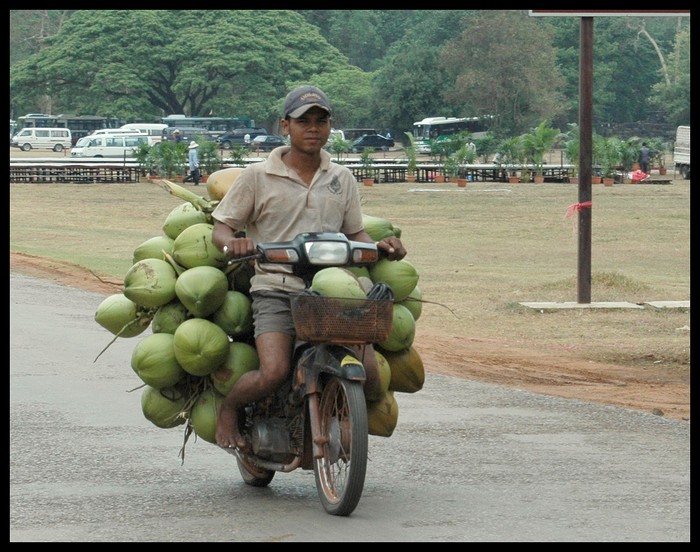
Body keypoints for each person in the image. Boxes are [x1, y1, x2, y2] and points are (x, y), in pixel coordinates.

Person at [211, 85, 407, 451]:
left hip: (331, 291)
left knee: (371, 373)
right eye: (304, 121)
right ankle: (229, 409)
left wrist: (380, 248)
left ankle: (338, 414)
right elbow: (222, 227)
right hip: (275, 287)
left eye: (321, 120)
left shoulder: (341, 178)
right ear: (286, 126)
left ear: (331, 126)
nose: (313, 128)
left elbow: (355, 233)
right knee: (274, 371)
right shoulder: (257, 175)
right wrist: (231, 243)